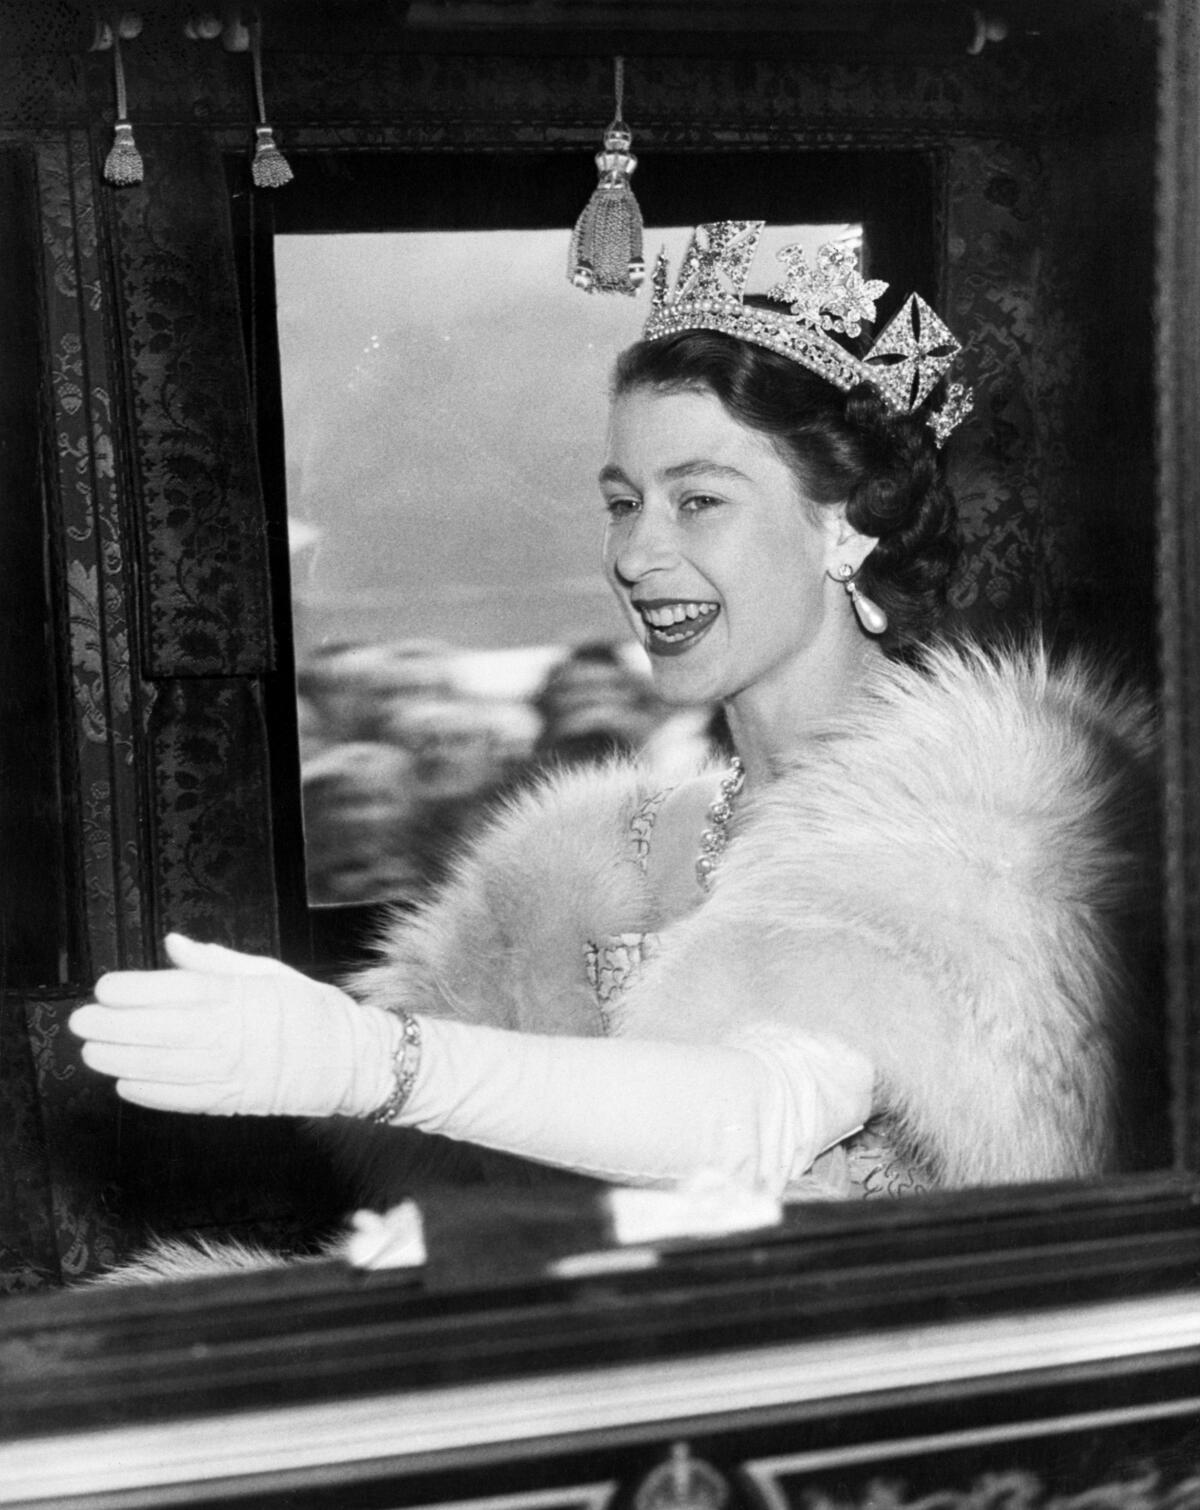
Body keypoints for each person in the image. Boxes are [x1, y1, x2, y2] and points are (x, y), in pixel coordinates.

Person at [69, 223, 1161, 1218]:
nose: (634, 556)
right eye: (621, 501)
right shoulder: (598, 854)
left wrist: (371, 1062)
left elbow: (755, 1113)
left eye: (699, 500)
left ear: (847, 526)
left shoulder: (992, 821)